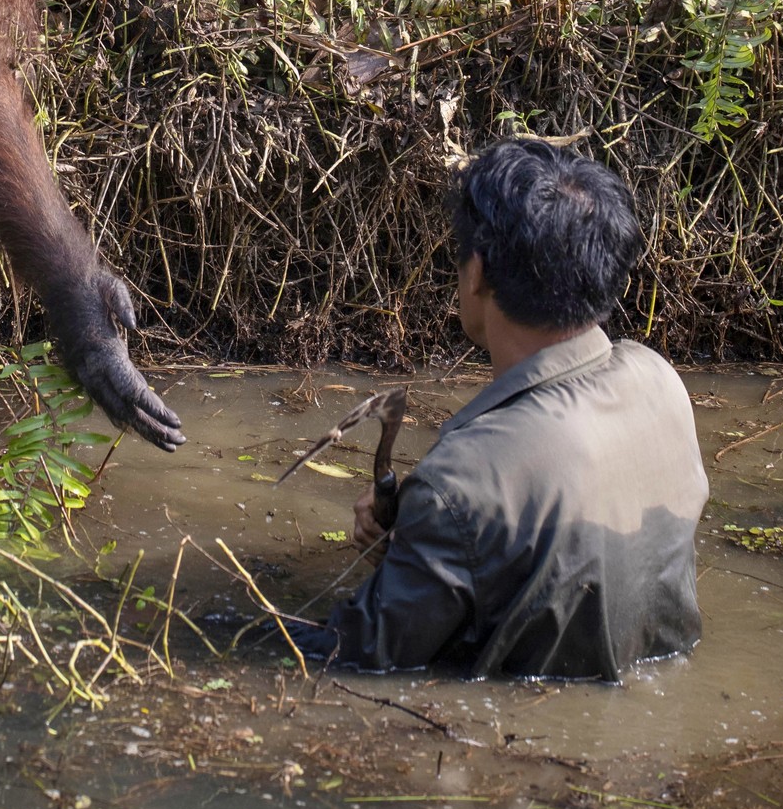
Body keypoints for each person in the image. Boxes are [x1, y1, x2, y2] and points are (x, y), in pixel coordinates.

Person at [294, 138, 708, 680]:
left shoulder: (464, 483)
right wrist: (420, 538)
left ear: (478, 272)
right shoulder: (660, 379)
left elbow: (357, 657)